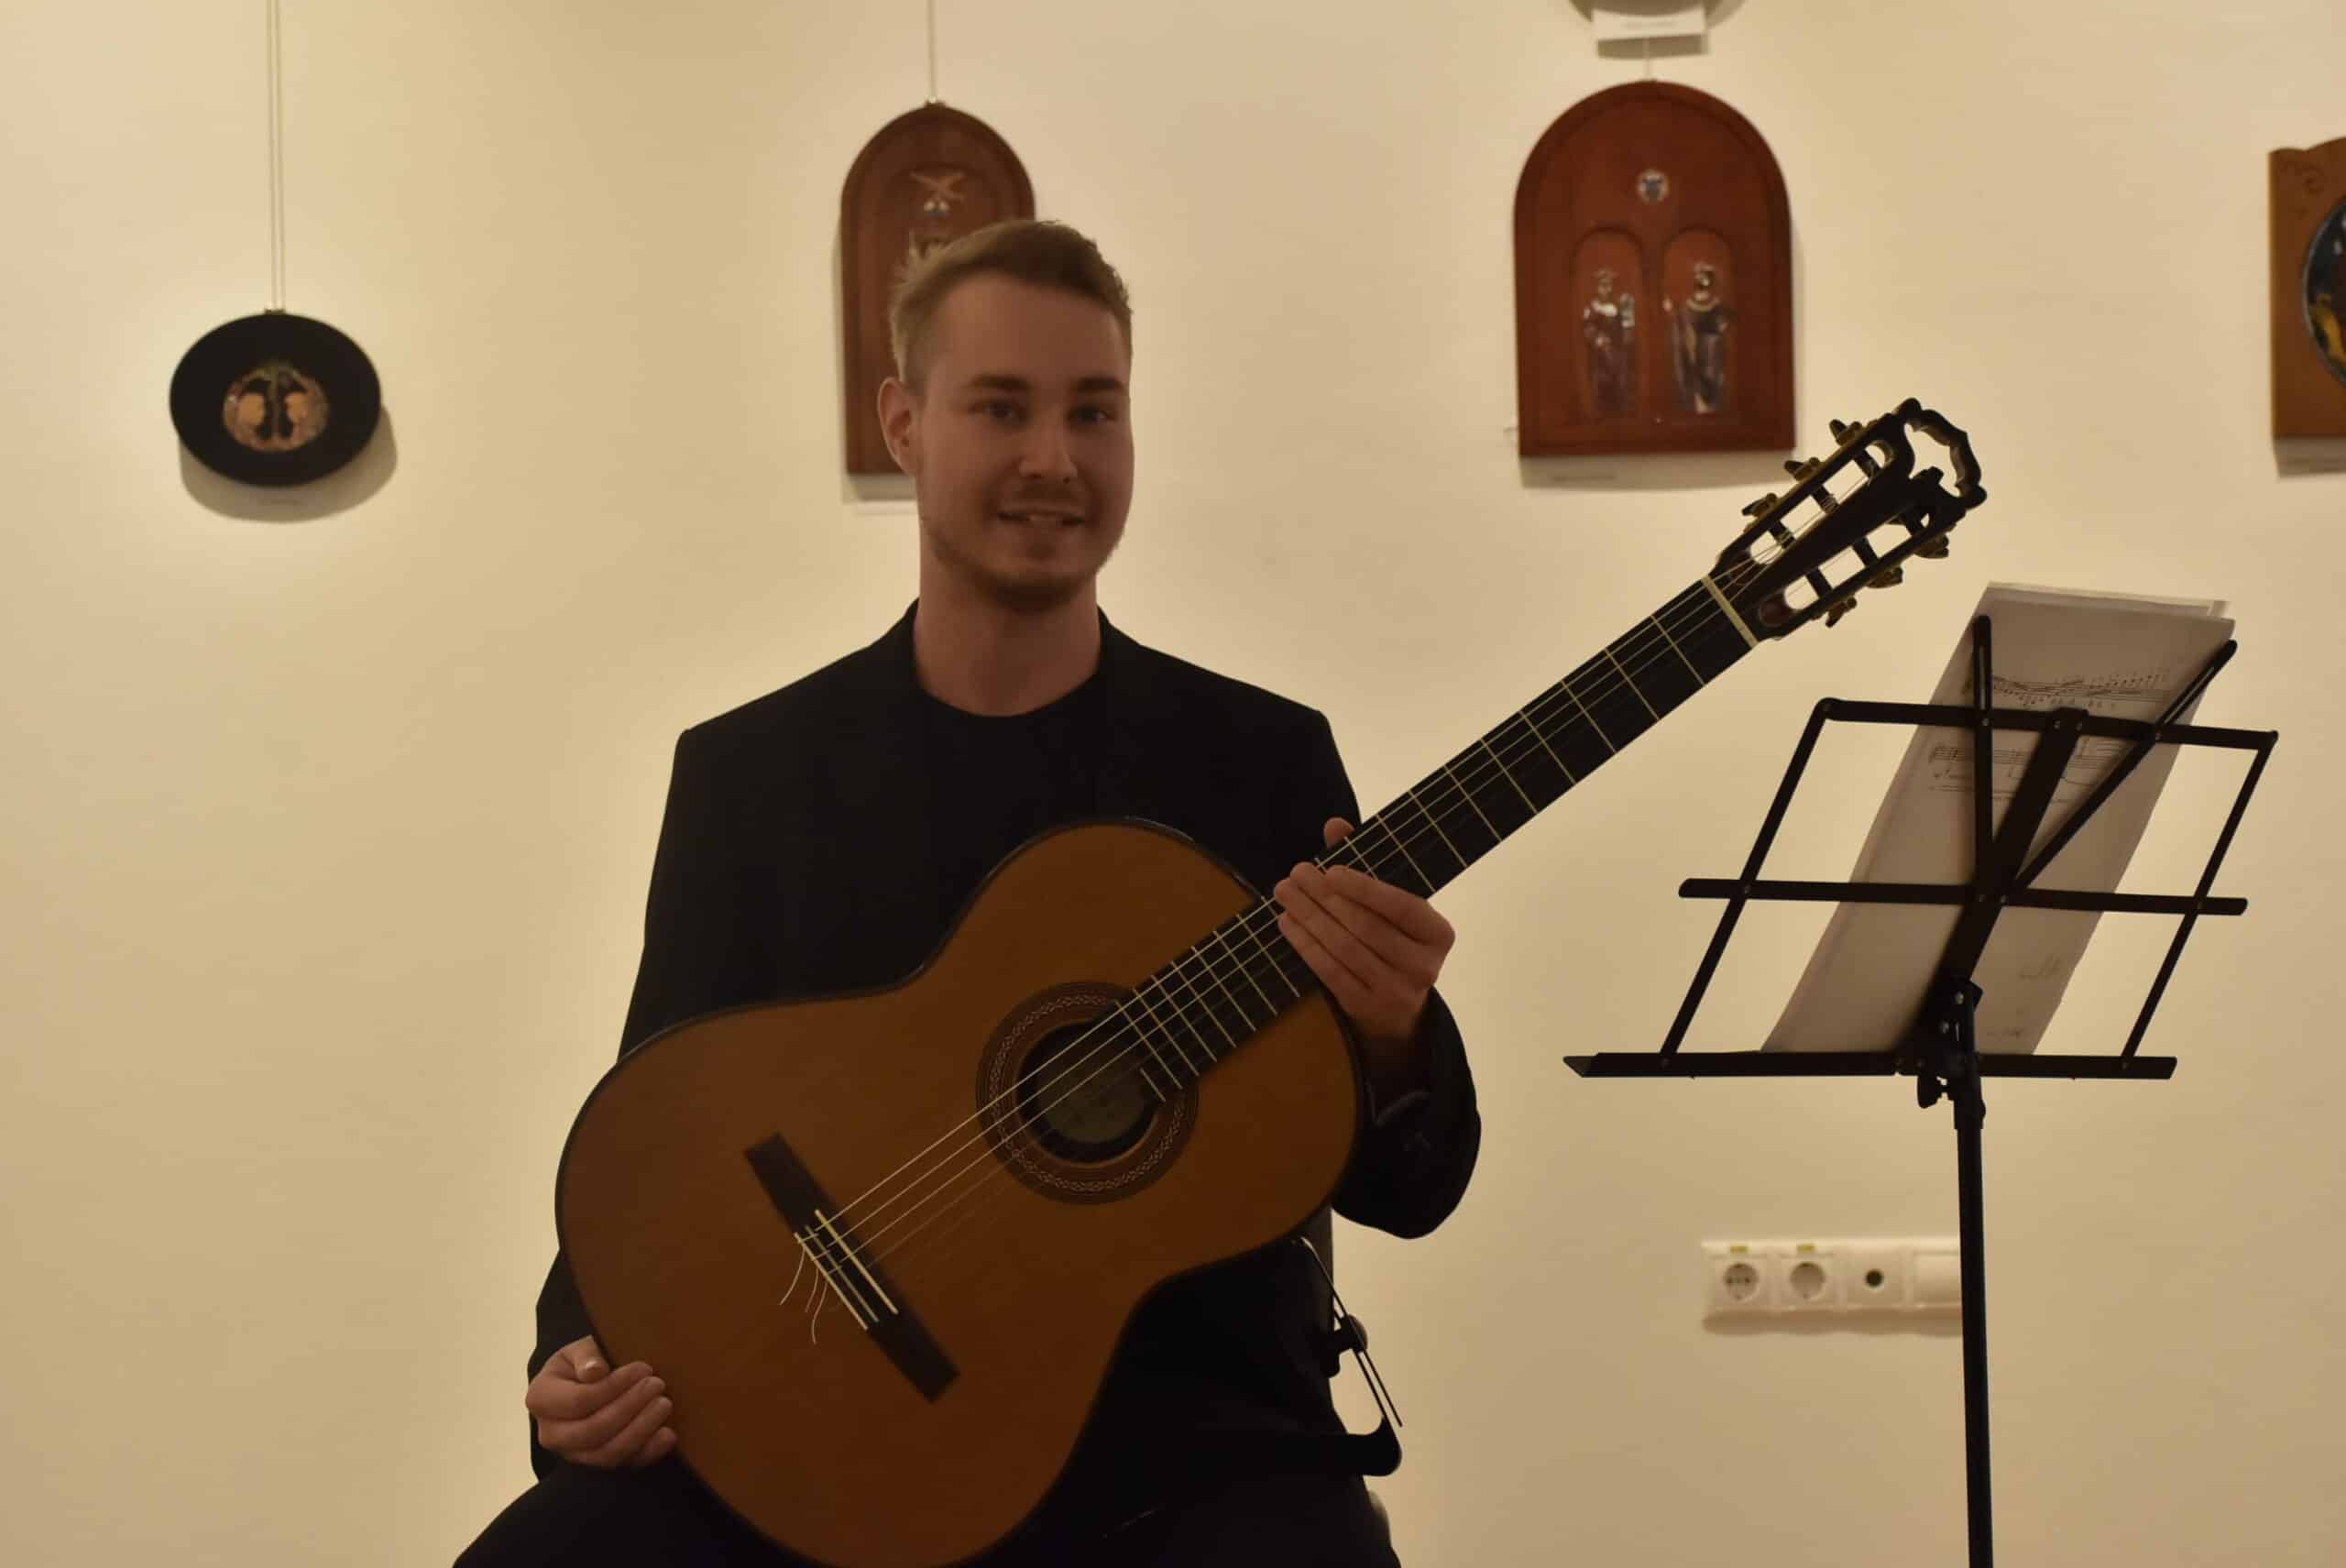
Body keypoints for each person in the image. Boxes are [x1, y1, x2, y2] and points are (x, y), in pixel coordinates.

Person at [457, 218, 1481, 1567]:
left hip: (1190, 1451)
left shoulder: (1258, 760)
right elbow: (660, 1123)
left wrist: (1393, 1035)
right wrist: (581, 1356)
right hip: (834, 1415)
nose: (1054, 458)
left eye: (1094, 411)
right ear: (903, 423)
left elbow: (1406, 1189)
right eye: (1003, 407)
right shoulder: (755, 777)